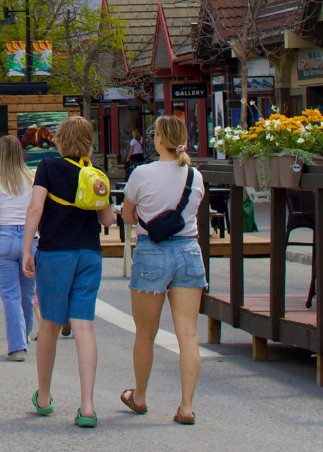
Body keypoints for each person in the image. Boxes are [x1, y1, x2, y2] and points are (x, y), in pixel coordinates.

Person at [23, 117, 116, 425]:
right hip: (89, 253)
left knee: (49, 326)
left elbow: (35, 207)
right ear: (89, 142)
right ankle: (87, 406)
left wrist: (27, 249)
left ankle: (44, 396)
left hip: (55, 253)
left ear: (60, 140)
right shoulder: (95, 173)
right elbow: (107, 220)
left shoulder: (48, 167)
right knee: (84, 328)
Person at [120, 113, 204, 424]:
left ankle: (140, 396)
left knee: (145, 333)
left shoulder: (142, 174)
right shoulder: (195, 176)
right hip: (188, 251)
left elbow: (128, 216)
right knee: (188, 334)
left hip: (151, 253)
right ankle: (186, 406)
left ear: (158, 140)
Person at [0, 134, 35, 362]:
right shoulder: (33, 177)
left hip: (4, 236)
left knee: (10, 296)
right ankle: (24, 336)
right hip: (31, 239)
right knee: (27, 294)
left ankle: (17, 347)